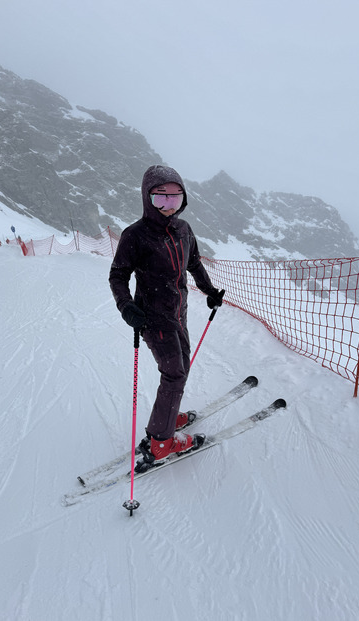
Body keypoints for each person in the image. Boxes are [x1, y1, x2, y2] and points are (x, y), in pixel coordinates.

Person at [109, 165, 224, 464]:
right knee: (174, 372)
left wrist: (210, 291)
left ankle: (168, 417)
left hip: (178, 312)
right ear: (148, 199)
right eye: (161, 199)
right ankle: (161, 441)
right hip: (151, 317)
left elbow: (194, 264)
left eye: (175, 199)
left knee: (181, 367)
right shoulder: (135, 235)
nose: (168, 207)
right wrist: (125, 306)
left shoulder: (184, 230)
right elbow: (118, 275)